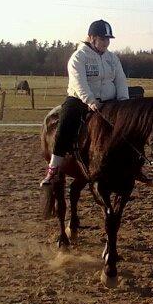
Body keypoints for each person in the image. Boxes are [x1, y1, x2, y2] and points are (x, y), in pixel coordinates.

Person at [40, 19, 129, 185]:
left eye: (108, 39)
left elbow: (121, 81)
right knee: (65, 124)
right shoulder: (78, 58)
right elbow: (78, 82)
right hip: (80, 100)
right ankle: (54, 168)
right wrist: (91, 101)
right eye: (103, 39)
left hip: (110, 101)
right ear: (91, 38)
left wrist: (124, 102)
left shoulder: (112, 58)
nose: (106, 43)